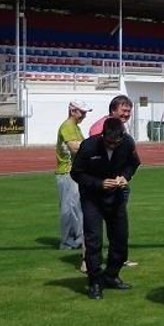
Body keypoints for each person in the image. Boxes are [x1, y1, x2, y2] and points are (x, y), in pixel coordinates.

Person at [71, 116, 140, 298]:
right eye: (109, 142)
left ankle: (111, 275)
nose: (112, 146)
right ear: (103, 136)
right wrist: (99, 183)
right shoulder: (89, 146)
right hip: (92, 198)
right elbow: (76, 173)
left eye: (115, 143)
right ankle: (94, 281)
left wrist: (125, 177)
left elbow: (133, 164)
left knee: (120, 239)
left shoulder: (127, 143)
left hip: (116, 196)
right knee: (94, 240)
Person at [84, 94, 139, 268]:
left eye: (129, 112)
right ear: (113, 109)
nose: (126, 114)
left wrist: (125, 176)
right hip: (99, 187)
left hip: (118, 184)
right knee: (94, 228)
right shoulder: (100, 127)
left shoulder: (121, 129)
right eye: (123, 111)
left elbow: (132, 160)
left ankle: (118, 259)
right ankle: (90, 262)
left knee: (118, 228)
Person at [55, 100, 88, 252]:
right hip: (67, 171)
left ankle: (77, 238)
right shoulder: (68, 126)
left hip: (74, 171)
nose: (84, 115)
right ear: (73, 111)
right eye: (82, 112)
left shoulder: (75, 127)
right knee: (69, 208)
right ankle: (68, 241)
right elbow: (74, 148)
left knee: (76, 207)